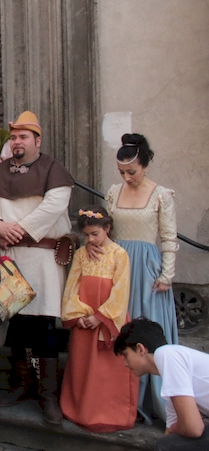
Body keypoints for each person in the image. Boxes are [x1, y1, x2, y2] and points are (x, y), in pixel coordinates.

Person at [0, 110, 74, 425]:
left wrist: (19, 228)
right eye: (14, 136)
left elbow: (54, 204)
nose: (17, 141)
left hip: (41, 260)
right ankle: (21, 384)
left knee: (44, 327)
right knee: (14, 326)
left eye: (24, 137)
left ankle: (47, 394)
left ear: (37, 140)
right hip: (9, 256)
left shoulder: (53, 170)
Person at [90, 133, 180, 424]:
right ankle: (120, 399)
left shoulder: (161, 195)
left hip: (147, 268)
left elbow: (168, 238)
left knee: (145, 326)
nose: (126, 177)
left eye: (132, 171)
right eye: (121, 172)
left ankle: (149, 402)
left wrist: (167, 275)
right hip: (117, 264)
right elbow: (106, 229)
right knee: (120, 324)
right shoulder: (114, 192)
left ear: (145, 166)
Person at [60, 206, 138, 432]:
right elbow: (72, 285)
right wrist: (79, 313)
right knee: (83, 367)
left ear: (107, 228)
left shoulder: (119, 254)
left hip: (106, 320)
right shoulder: (82, 254)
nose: (91, 239)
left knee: (106, 371)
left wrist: (101, 316)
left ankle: (111, 412)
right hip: (84, 319)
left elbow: (121, 291)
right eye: (86, 235)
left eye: (95, 234)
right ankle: (80, 409)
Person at [115, 318, 209, 450]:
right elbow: (170, 431)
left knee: (166, 445)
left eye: (126, 355)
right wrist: (174, 428)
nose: (125, 364)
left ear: (140, 349)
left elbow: (193, 428)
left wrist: (176, 427)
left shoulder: (167, 354)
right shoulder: (170, 376)